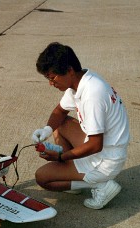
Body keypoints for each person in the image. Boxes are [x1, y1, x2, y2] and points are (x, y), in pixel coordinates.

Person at [32, 42, 130, 210]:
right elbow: (59, 112)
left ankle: (100, 185)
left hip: (105, 159)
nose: (51, 83)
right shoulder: (81, 80)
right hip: (105, 146)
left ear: (69, 70)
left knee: (42, 178)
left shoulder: (93, 94)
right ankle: (74, 174)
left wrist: (61, 157)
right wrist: (46, 130)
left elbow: (95, 145)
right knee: (59, 124)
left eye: (52, 77)